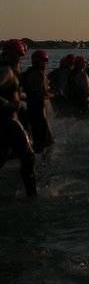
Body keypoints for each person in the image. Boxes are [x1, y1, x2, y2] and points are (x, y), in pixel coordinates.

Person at [0, 39, 37, 196]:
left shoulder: (13, 68)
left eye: (22, 56)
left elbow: (11, 90)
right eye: (19, 55)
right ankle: (31, 194)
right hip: (7, 120)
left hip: (11, 118)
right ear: (9, 53)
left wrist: (23, 99)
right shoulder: (5, 70)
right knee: (28, 155)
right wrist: (8, 105)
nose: (20, 58)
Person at [20, 49, 55, 154]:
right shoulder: (39, 74)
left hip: (30, 110)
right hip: (39, 113)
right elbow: (42, 95)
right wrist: (54, 94)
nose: (46, 63)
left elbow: (17, 93)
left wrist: (29, 99)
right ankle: (43, 167)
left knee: (40, 142)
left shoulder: (24, 74)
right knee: (47, 144)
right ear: (42, 61)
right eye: (46, 61)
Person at [67, 55, 89, 120]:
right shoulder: (83, 75)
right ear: (82, 64)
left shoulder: (71, 74)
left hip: (73, 102)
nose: (86, 64)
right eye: (85, 63)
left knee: (80, 121)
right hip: (82, 102)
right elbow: (88, 90)